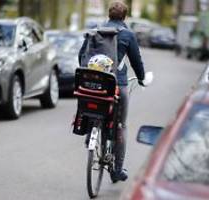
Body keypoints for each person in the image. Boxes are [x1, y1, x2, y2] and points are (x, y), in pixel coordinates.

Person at [78, 1, 148, 183]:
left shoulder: (95, 31)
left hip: (93, 84)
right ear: (125, 17)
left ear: (109, 15)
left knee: (93, 107)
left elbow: (81, 56)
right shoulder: (128, 35)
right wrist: (141, 78)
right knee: (121, 125)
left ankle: (90, 132)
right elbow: (136, 62)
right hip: (118, 84)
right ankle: (117, 170)